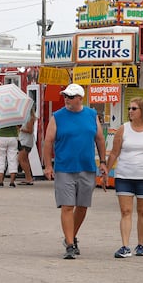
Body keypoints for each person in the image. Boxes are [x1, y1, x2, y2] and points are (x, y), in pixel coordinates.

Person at [42, 84, 108, 259]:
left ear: (80, 98)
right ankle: (70, 245)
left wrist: (103, 162)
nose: (66, 99)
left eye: (70, 96)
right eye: (65, 96)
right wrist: (48, 165)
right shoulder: (57, 117)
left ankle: (70, 236)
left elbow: (100, 139)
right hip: (64, 168)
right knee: (67, 206)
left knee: (82, 206)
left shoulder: (92, 115)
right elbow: (48, 142)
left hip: (87, 167)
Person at [104, 97, 143, 258]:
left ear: (142, 111)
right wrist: (106, 172)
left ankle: (141, 244)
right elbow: (114, 152)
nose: (130, 111)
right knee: (125, 211)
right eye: (129, 109)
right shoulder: (123, 129)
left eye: (134, 109)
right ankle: (125, 246)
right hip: (124, 175)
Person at [17, 107, 37, 185]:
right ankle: (28, 177)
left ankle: (28, 178)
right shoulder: (29, 117)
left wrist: (20, 128)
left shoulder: (29, 118)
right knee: (24, 159)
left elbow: (30, 130)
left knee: (21, 159)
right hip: (26, 141)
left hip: (25, 141)